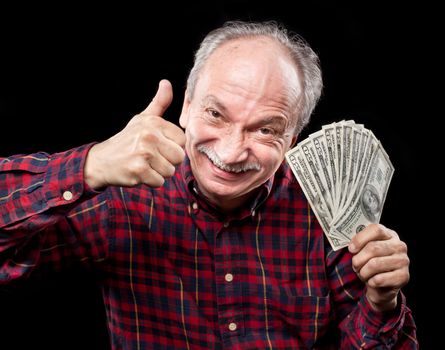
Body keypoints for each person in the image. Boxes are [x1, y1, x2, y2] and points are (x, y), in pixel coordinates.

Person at [0, 20, 418, 349]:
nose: (233, 152)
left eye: (265, 130)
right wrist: (87, 167)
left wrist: (383, 305)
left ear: (291, 141)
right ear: (186, 106)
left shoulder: (327, 209)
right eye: (217, 115)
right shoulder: (124, 198)